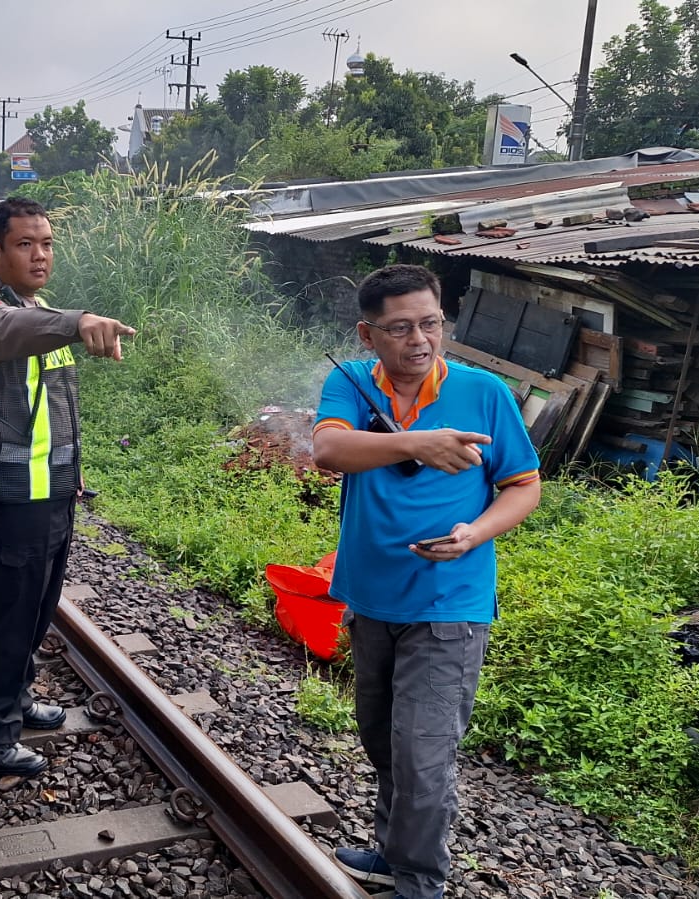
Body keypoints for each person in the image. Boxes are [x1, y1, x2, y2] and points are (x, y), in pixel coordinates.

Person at [310, 265, 541, 899]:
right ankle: (390, 851)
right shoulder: (351, 382)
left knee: (424, 751)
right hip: (371, 595)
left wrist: (475, 533)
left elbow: (523, 486)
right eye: (401, 327)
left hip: (451, 602)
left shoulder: (484, 391)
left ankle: (418, 882)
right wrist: (418, 442)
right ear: (368, 333)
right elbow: (329, 452)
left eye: (432, 323)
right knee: (383, 737)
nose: (420, 340)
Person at [0, 196, 135, 777]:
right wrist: (77, 323)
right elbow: (9, 329)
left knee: (35, 607)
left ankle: (16, 702)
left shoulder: (39, 310)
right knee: (0, 616)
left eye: (47, 243)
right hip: (1, 497)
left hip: (49, 492)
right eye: (25, 244)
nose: (40, 254)